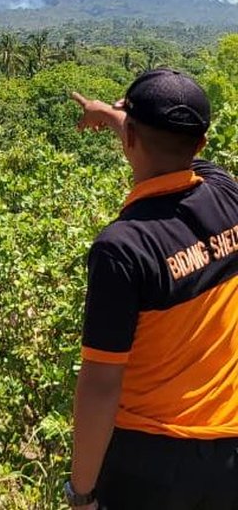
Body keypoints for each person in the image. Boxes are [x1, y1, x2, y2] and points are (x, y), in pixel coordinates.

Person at [64, 68, 238, 510]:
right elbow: (167, 144)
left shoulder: (123, 247)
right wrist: (108, 115)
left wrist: (81, 491)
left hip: (148, 462)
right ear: (200, 144)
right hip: (228, 450)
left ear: (130, 139)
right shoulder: (227, 194)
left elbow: (102, 383)